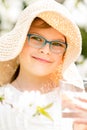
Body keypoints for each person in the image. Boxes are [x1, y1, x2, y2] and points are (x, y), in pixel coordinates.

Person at [0, 0, 86, 129]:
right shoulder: (3, 98)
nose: (46, 50)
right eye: (36, 38)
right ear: (20, 41)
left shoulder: (73, 101)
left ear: (64, 54)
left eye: (57, 44)